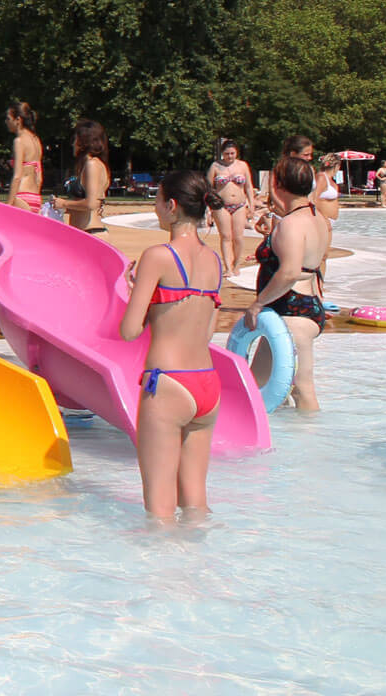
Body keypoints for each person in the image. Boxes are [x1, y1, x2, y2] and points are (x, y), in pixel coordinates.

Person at [118, 171, 227, 520]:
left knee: (159, 509)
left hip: (168, 383)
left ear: (172, 206)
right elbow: (206, 332)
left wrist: (134, 290)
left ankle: (159, 559)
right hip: (207, 384)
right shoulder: (214, 261)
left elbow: (129, 331)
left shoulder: (157, 257)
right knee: (196, 504)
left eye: (157, 200)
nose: (154, 207)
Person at [250, 157, 332, 412]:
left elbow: (289, 272)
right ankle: (279, 434)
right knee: (255, 384)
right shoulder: (316, 218)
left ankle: (312, 437)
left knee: (302, 389)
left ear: (277, 184)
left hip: (292, 312)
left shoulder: (291, 224)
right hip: (304, 307)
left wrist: (257, 304)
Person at [207, 139, 255, 271]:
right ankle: (228, 267)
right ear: (222, 153)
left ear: (236, 153)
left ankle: (236, 264)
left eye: (232, 153)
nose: (230, 156)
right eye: (227, 154)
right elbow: (208, 188)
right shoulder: (215, 166)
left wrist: (252, 204)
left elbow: (249, 187)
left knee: (238, 237)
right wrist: (209, 209)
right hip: (221, 205)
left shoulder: (243, 166)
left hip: (239, 204)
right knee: (226, 236)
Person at [59, 119, 111, 234]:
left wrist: (63, 203)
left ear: (83, 142)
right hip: (85, 232)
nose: (73, 144)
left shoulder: (92, 165)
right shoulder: (93, 165)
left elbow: (91, 204)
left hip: (91, 232)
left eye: (75, 139)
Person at [6, 102, 43, 213]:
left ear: (18, 120)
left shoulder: (19, 141)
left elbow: (17, 176)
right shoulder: (36, 141)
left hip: (22, 195)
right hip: (35, 197)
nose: (6, 122)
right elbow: (39, 177)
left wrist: (8, 204)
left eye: (8, 119)